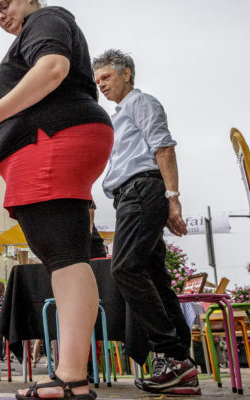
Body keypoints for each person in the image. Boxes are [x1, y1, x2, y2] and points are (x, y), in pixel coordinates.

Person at [0, 2, 114, 399]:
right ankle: (70, 375)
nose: (0, 14)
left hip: (49, 138)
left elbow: (53, 68)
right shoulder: (39, 25)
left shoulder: (46, 18)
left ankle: (70, 378)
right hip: (49, 140)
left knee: (65, 257)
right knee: (62, 256)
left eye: (5, 3)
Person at [93, 49, 196, 395]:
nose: (101, 84)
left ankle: (170, 353)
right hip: (131, 195)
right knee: (153, 274)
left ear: (126, 74)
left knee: (124, 269)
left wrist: (172, 199)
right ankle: (182, 363)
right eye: (98, 80)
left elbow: (163, 147)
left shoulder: (141, 102)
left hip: (142, 189)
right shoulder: (120, 115)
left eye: (106, 77)